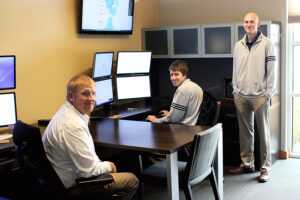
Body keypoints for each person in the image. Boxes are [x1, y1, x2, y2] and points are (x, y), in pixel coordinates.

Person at [42, 74, 138, 199]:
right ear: (71, 96)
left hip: (64, 178)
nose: (91, 98)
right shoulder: (72, 126)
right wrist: (108, 167)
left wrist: (102, 169)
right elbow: (88, 171)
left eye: (93, 93)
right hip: (75, 186)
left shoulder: (66, 112)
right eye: (86, 94)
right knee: (131, 180)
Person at [229, 12, 276, 182]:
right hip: (241, 96)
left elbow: (271, 72)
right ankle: (247, 164)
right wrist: (235, 89)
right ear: (243, 24)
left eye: (252, 22)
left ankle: (265, 168)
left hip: (260, 97)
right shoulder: (238, 45)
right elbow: (235, 69)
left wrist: (268, 93)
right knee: (245, 133)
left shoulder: (267, 44)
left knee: (263, 133)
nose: (249, 24)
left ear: (258, 24)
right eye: (246, 22)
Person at [146, 59, 203, 126]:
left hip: (183, 130)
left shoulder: (182, 90)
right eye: (171, 75)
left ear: (184, 75)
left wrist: (156, 120)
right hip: (193, 127)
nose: (173, 78)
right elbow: (188, 112)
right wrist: (171, 114)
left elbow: (173, 119)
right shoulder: (196, 86)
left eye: (176, 74)